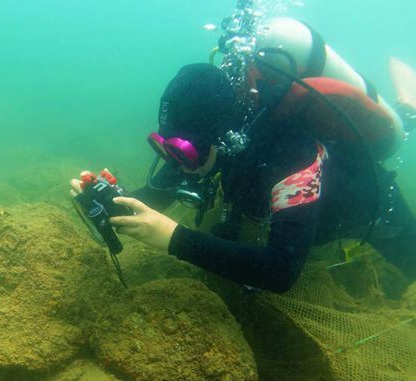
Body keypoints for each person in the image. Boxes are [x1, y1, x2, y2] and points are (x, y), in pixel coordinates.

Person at [70, 33, 416, 294]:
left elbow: (282, 272)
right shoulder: (206, 133)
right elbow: (155, 198)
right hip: (280, 208)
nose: (178, 164)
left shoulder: (290, 154)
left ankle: (408, 112)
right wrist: (107, 201)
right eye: (167, 148)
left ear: (222, 139)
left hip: (361, 208)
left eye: (184, 153)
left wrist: (175, 239)